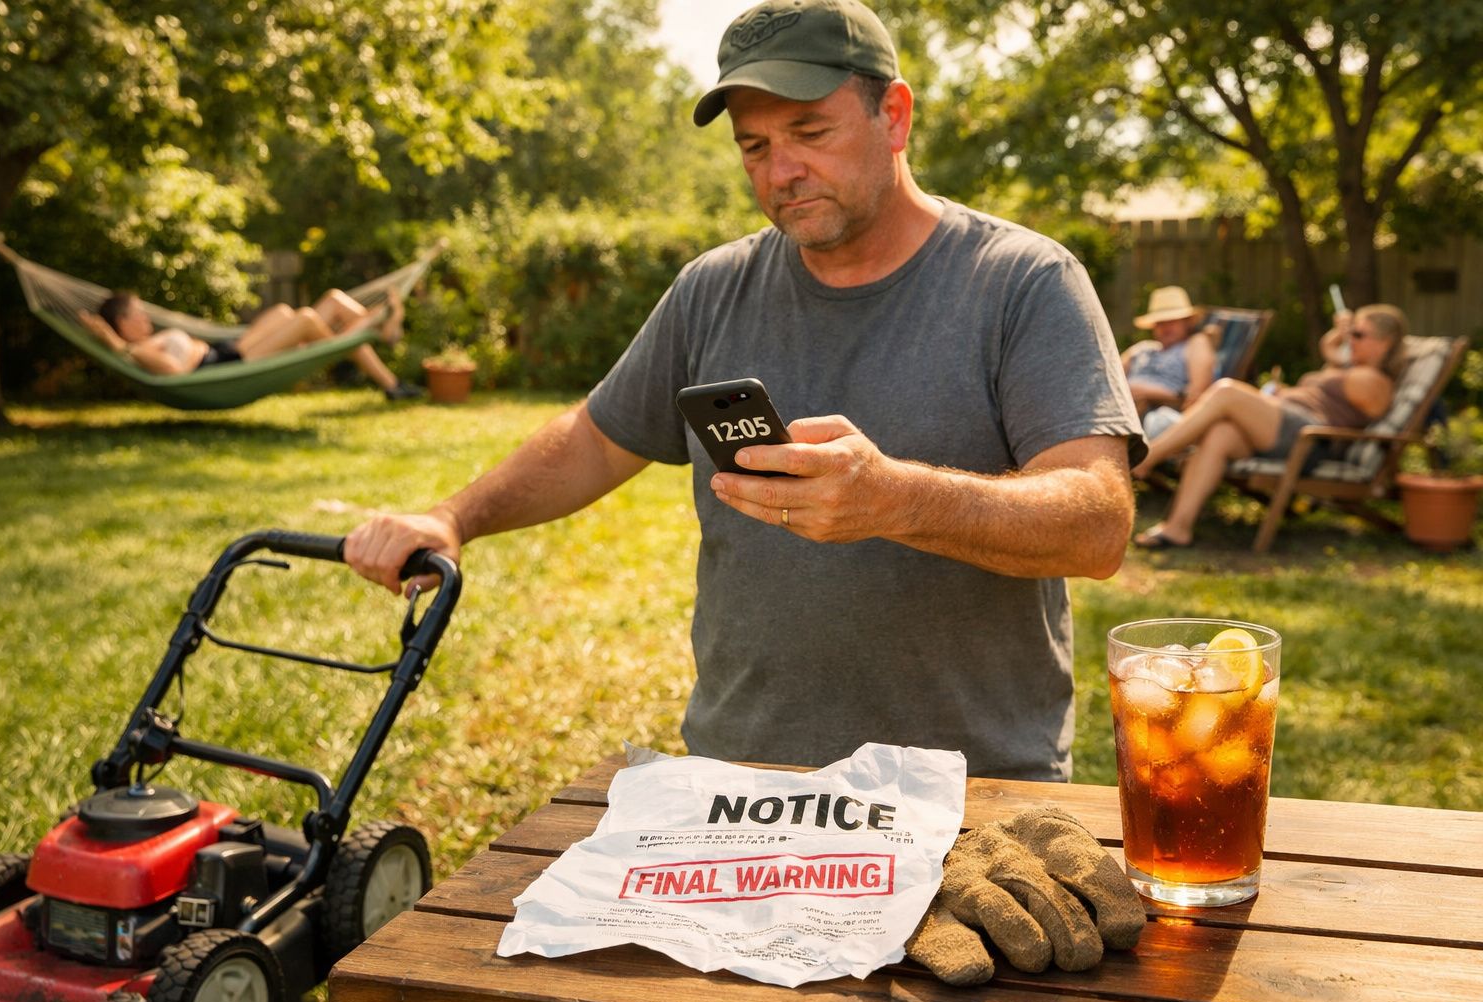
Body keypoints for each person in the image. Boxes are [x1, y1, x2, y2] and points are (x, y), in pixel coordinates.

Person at [344, 0, 1141, 780]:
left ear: (893, 116)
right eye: (754, 146)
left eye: (810, 133)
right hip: (745, 782)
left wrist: (897, 500)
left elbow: (1098, 523)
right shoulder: (714, 288)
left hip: (970, 790)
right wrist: (454, 517)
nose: (781, 170)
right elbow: (594, 439)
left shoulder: (1023, 282)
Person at [1130, 304, 1408, 549]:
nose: (1350, 339)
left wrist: (1334, 357)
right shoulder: (1350, 370)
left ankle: (1149, 457)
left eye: (1358, 334)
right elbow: (1333, 377)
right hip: (1288, 428)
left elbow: (1348, 388)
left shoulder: (1376, 381)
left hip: (1310, 439)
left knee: (1226, 391)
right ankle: (1178, 528)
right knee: (1219, 434)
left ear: (1384, 343)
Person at [79, 288, 423, 400]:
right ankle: (382, 329)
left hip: (233, 349)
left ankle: (384, 342)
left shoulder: (149, 342)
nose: (146, 320)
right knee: (305, 320)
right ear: (123, 325)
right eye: (139, 316)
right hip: (228, 366)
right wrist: (116, 345)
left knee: (321, 303)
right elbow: (174, 372)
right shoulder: (140, 350)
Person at [1119, 285, 1222, 435]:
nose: (1165, 326)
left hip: (1161, 417)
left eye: (1172, 320)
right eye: (1160, 322)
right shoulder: (1142, 349)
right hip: (1121, 411)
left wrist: (1147, 394)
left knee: (1157, 421)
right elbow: (1107, 379)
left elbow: (1197, 396)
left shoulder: (1195, 343)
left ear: (1187, 322)